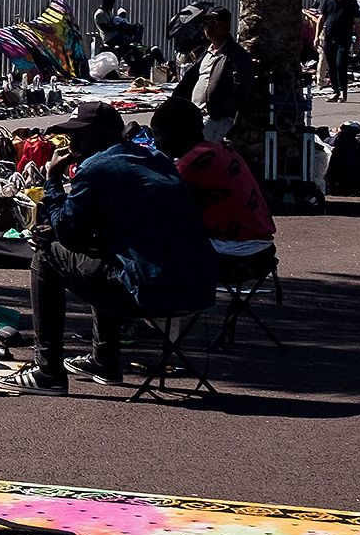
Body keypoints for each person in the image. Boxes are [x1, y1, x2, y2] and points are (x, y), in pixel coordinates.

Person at [24, 101, 218, 391]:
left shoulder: (95, 168)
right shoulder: (155, 159)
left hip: (152, 293)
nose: (71, 142)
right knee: (104, 256)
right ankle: (103, 360)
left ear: (100, 136)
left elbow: (66, 232)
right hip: (199, 290)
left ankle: (48, 371)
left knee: (46, 257)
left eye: (79, 135)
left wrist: (52, 179)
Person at [150, 101, 273, 242]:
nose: (155, 142)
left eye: (158, 134)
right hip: (257, 238)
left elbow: (161, 198)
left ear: (178, 133)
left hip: (235, 246)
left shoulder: (193, 162)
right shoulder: (219, 149)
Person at [182, 8, 259, 142]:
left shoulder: (236, 55)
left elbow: (242, 88)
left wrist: (221, 111)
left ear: (226, 26)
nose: (208, 27)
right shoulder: (205, 52)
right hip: (196, 116)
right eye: (206, 22)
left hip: (215, 118)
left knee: (200, 151)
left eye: (213, 22)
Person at [317, 0, 360, 102]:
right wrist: (317, 35)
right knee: (331, 65)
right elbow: (322, 18)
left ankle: (343, 91)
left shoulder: (350, 2)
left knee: (340, 63)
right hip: (329, 37)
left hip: (343, 38)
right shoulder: (327, 1)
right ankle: (335, 91)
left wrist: (357, 40)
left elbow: (357, 22)